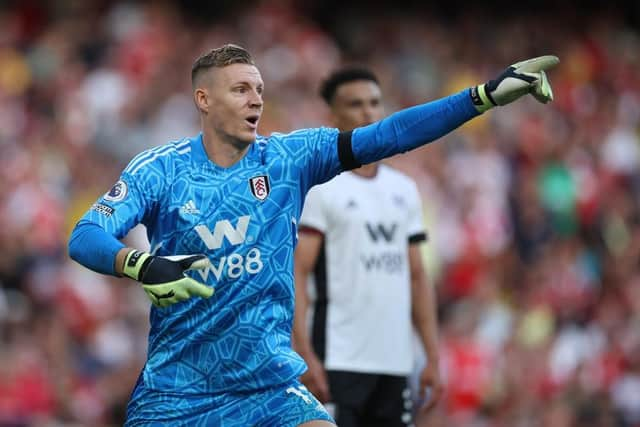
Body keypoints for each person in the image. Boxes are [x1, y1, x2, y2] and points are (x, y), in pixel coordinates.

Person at [67, 44, 558, 426]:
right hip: (178, 391)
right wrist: (139, 264)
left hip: (269, 388)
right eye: (240, 89)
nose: (256, 98)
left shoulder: (288, 159)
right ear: (204, 99)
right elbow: (86, 234)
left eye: (258, 88)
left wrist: (484, 96)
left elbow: (390, 135)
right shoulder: (161, 170)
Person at [291, 67, 442, 427]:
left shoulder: (403, 189)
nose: (368, 113)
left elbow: (417, 277)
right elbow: (298, 271)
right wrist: (305, 353)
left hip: (393, 360)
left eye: (374, 103)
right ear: (333, 115)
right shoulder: (322, 188)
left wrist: (432, 357)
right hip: (337, 359)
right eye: (355, 104)